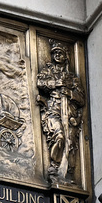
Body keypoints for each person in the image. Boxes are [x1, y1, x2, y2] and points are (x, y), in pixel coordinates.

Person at [36, 41, 85, 184]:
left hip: (69, 113)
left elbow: (81, 99)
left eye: (60, 53)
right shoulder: (48, 71)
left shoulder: (73, 78)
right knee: (59, 137)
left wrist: (70, 93)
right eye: (54, 53)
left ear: (66, 57)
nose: (57, 55)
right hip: (53, 109)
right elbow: (40, 83)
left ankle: (66, 173)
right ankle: (54, 167)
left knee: (69, 144)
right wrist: (57, 84)